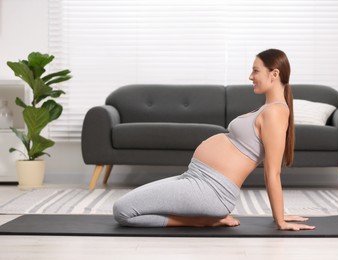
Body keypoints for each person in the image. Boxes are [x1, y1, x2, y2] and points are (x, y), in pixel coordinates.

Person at [113, 49, 316, 231]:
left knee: (122, 211)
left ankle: (201, 221)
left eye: (255, 71)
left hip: (211, 190)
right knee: (128, 205)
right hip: (194, 178)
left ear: (274, 74)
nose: (250, 76)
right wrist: (278, 214)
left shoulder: (276, 112)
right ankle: (203, 218)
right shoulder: (266, 109)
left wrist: (280, 220)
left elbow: (273, 172)